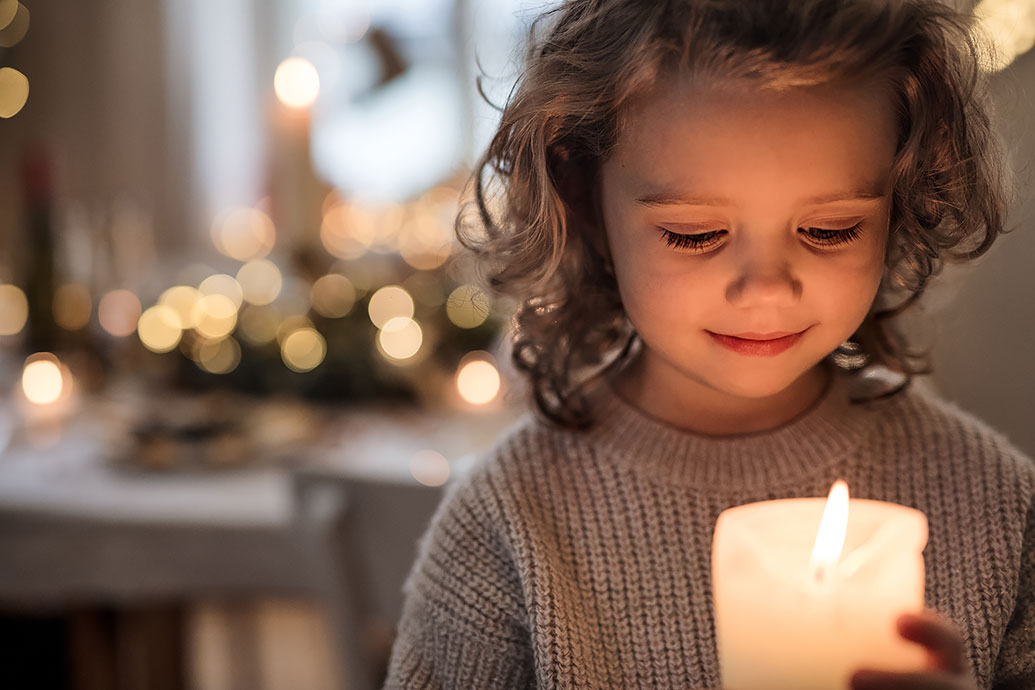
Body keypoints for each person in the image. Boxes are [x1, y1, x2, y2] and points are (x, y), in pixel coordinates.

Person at [381, 1, 1033, 688]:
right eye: (694, 234)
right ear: (581, 197)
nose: (765, 290)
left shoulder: (994, 505)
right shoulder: (509, 524)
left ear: (899, 202)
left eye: (831, 229)